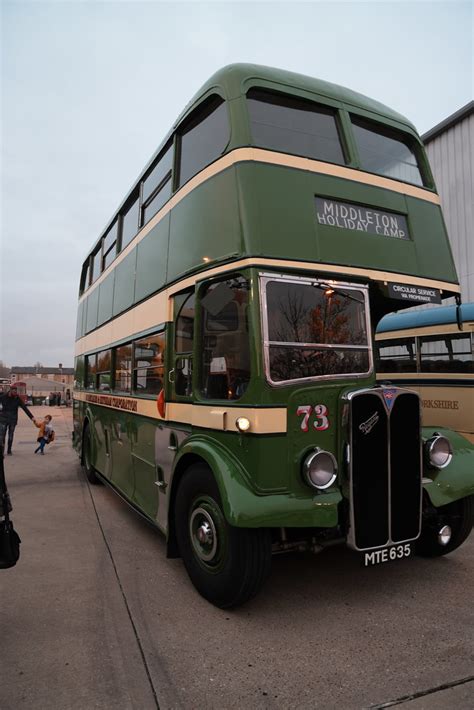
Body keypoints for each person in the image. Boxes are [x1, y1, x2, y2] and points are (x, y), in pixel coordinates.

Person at [0, 385, 36, 456]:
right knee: (2, 436)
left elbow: (24, 408)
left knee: (10, 435)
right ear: (10, 391)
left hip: (13, 420)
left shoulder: (17, 398)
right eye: (14, 391)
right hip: (3, 419)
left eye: (16, 391)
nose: (15, 393)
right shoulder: (3, 397)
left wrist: (32, 417)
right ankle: (2, 450)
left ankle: (9, 450)